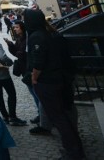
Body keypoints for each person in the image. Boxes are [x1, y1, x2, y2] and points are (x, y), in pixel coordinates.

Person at [25, 9, 86, 160]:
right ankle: (75, 148)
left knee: (58, 117)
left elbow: (38, 62)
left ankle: (74, 152)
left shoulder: (36, 36)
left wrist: (34, 78)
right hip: (60, 78)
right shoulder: (50, 33)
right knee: (63, 114)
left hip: (48, 81)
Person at [0, 25, 26, 126]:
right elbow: (3, 56)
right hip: (2, 74)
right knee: (11, 94)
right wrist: (9, 62)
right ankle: (13, 116)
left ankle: (5, 117)